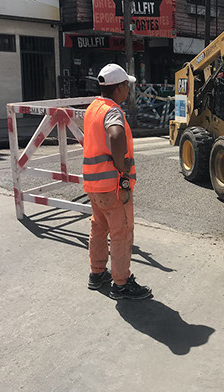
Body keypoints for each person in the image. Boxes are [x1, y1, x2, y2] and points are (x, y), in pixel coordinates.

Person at [83, 63, 152, 300]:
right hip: (113, 186)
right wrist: (122, 167)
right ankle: (121, 284)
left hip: (93, 185)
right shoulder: (113, 111)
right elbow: (115, 134)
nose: (128, 90)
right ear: (120, 87)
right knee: (121, 233)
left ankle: (97, 273)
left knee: (98, 228)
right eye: (127, 86)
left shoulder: (93, 108)